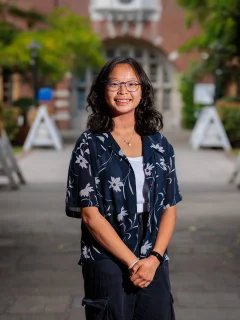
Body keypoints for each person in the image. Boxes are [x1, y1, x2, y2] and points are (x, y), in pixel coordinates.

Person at [65, 57, 182, 320]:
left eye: (131, 84)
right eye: (115, 83)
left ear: (143, 90)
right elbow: (90, 216)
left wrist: (153, 259)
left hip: (154, 254)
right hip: (107, 253)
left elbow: (170, 208)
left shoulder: (160, 145)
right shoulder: (90, 145)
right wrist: (132, 263)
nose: (123, 91)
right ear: (102, 89)